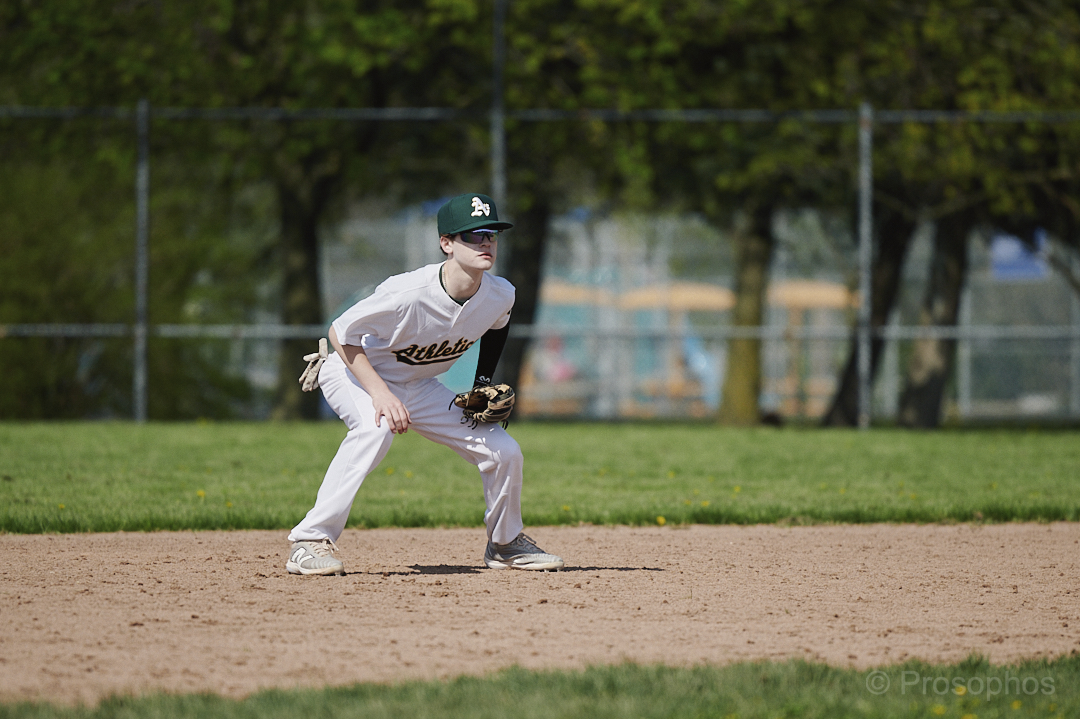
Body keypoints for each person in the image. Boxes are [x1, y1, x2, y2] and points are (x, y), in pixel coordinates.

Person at [286, 193, 565, 576]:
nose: (486, 242)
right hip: (355, 372)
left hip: (418, 384)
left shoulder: (500, 294)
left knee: (504, 450)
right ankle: (308, 540)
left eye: (492, 234)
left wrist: (481, 384)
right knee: (375, 428)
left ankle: (505, 544)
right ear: (446, 243)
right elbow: (341, 333)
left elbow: (498, 326)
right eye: (474, 235)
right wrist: (380, 394)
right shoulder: (407, 293)